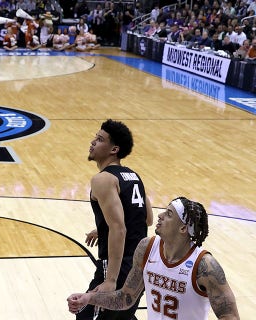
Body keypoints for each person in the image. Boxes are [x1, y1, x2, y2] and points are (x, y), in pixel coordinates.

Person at [68, 197, 240, 320]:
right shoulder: (147, 248)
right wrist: (89, 298)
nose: (160, 216)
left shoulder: (205, 266)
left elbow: (230, 316)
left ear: (182, 228)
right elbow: (125, 298)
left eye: (169, 214)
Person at [76, 119, 153, 320]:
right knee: (121, 316)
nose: (93, 142)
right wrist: (101, 229)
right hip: (140, 265)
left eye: (100, 139)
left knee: (85, 315)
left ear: (114, 149)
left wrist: (111, 279)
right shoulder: (134, 176)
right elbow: (147, 218)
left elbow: (119, 229)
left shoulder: (102, 179)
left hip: (118, 266)